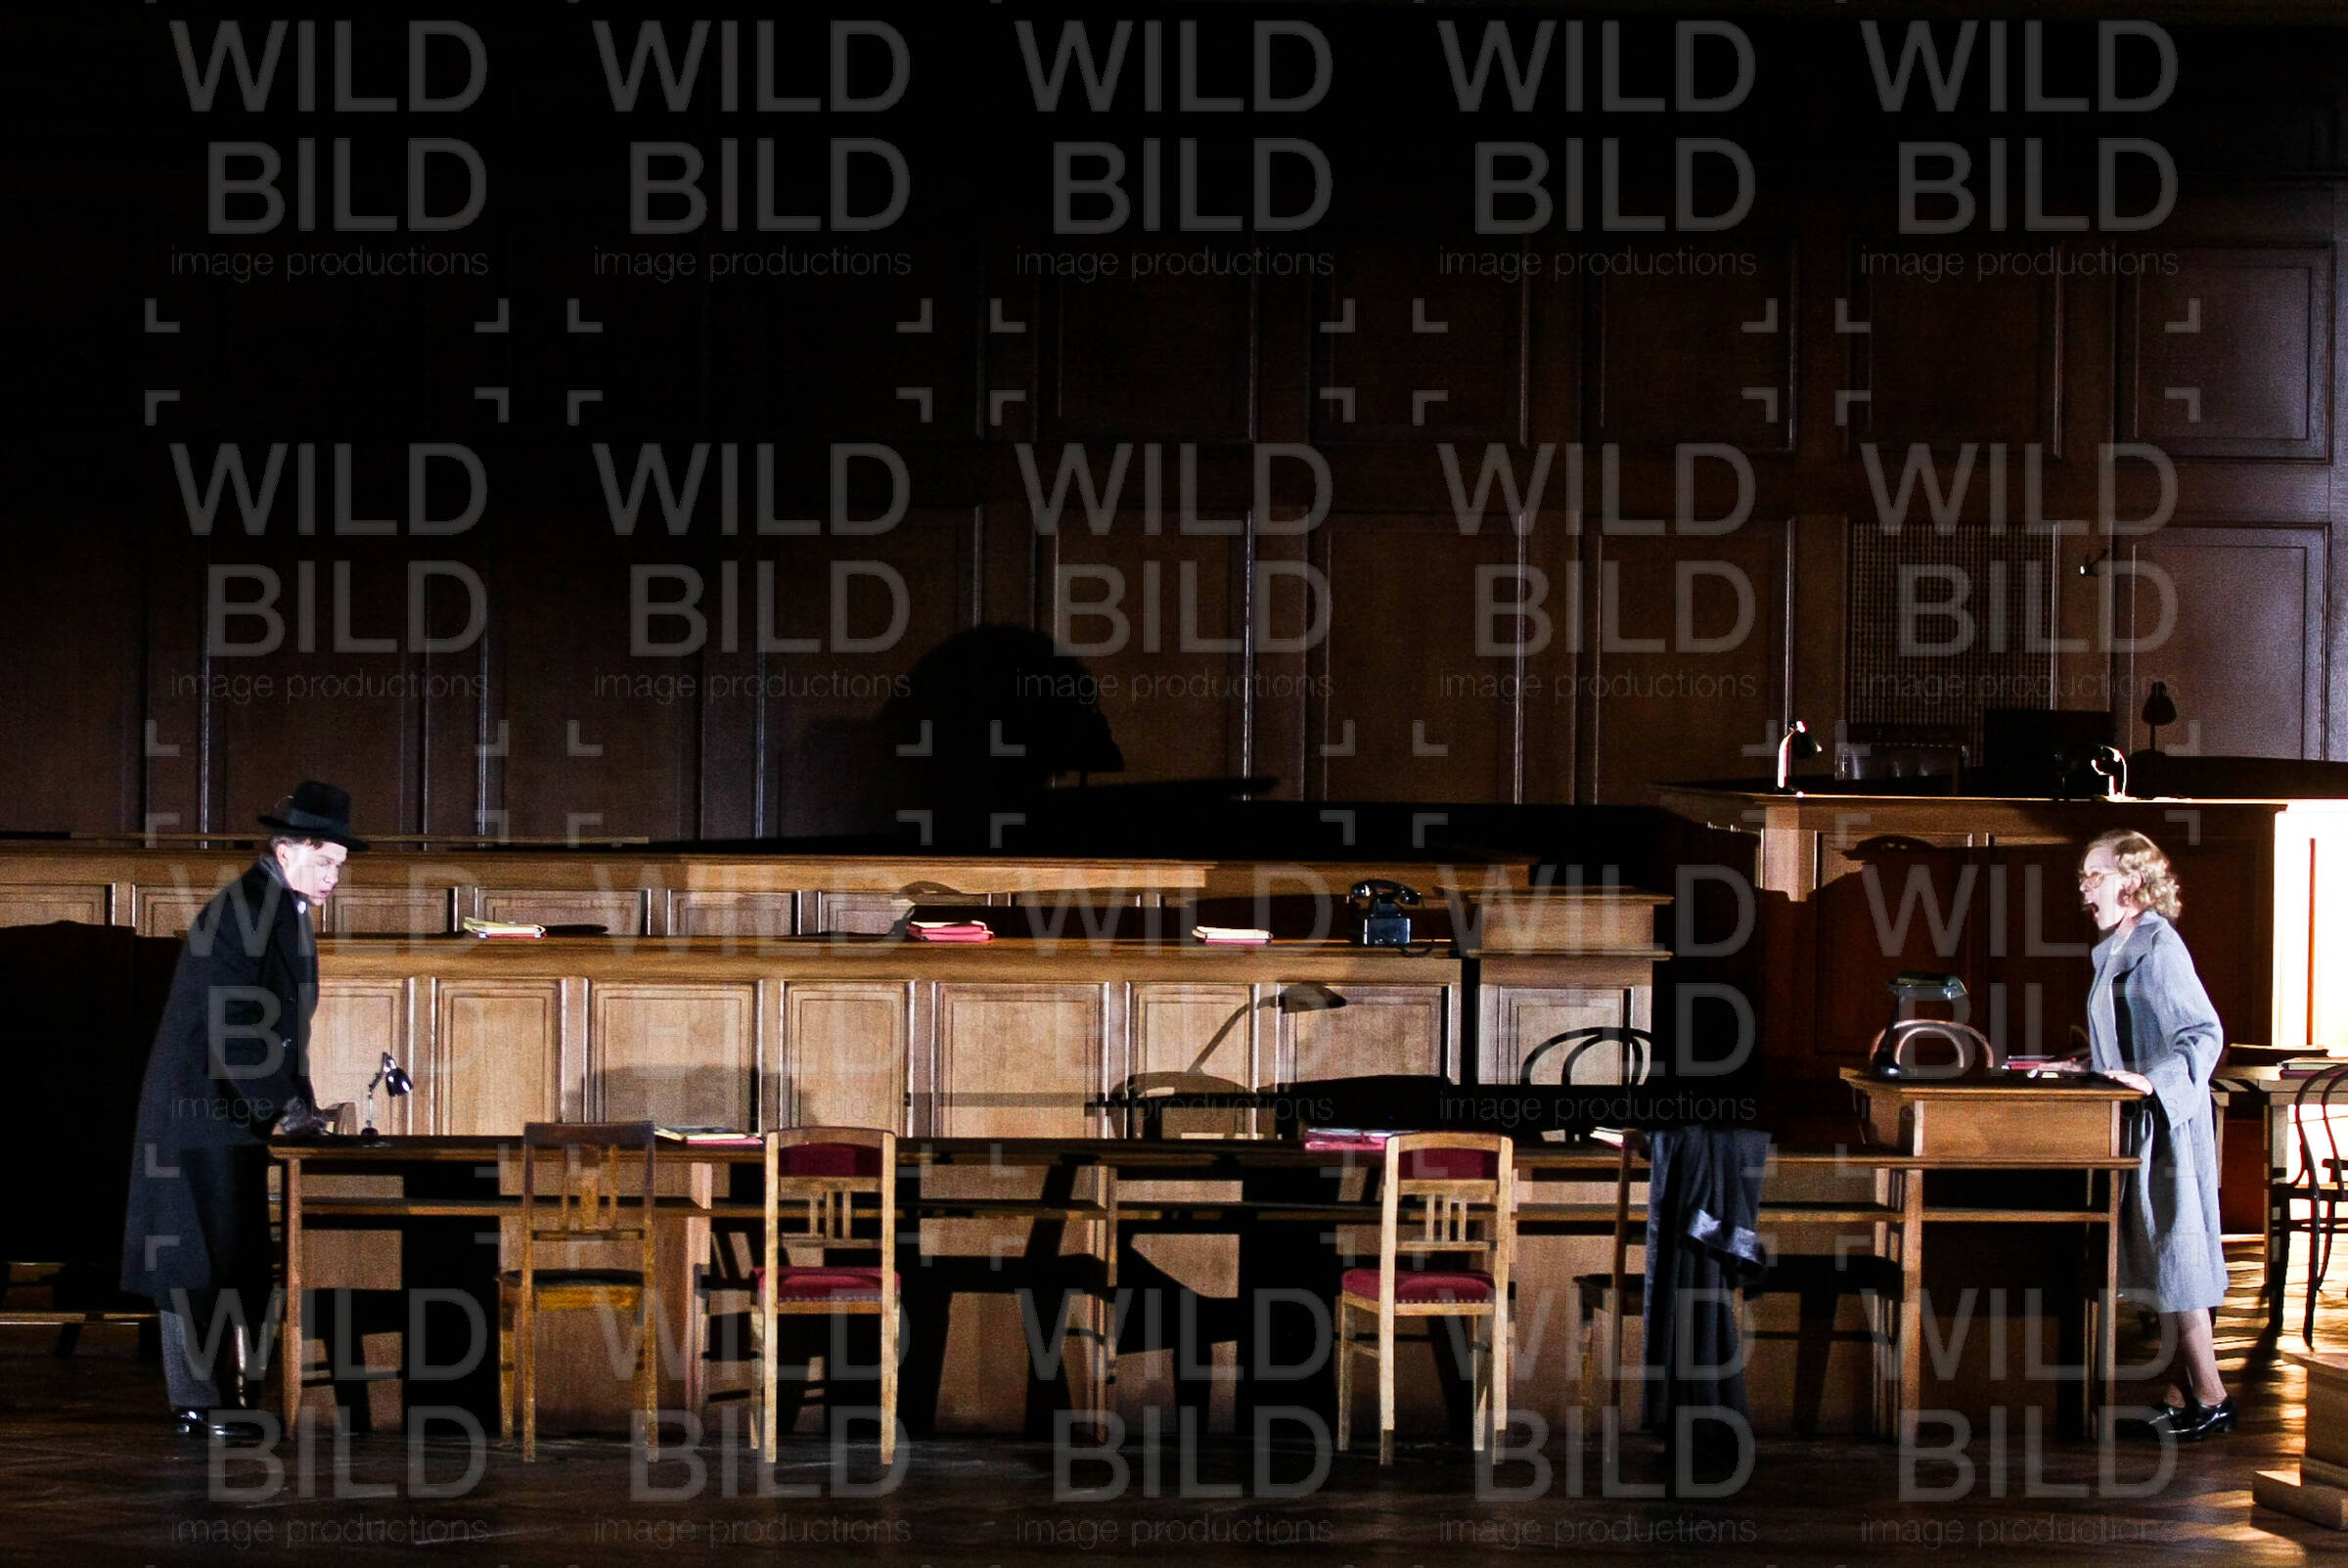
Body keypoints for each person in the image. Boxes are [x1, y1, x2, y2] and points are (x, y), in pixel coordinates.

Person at [118, 782, 365, 1438]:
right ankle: (198, 1403)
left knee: (229, 1258)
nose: (333, 875)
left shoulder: (280, 906)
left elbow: (280, 1029)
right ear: (287, 851)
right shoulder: (244, 909)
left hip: (230, 1112)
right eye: (324, 861)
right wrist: (282, 1108)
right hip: (201, 1110)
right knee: (192, 1260)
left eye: (339, 864)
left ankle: (223, 1397)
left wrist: (295, 1104)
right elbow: (237, 1024)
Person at [2074, 829, 2234, 1440]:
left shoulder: (2158, 945)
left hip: (2167, 1124)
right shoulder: (2117, 946)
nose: (2085, 887)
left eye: (2096, 874)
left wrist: (2152, 1082)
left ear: (2133, 880)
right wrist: (2082, 1064)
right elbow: (2126, 1034)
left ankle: (2213, 1397)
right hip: (2138, 1122)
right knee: (2157, 1255)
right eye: (2084, 876)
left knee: (2175, 1256)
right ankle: (2182, 1390)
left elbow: (2202, 1033)